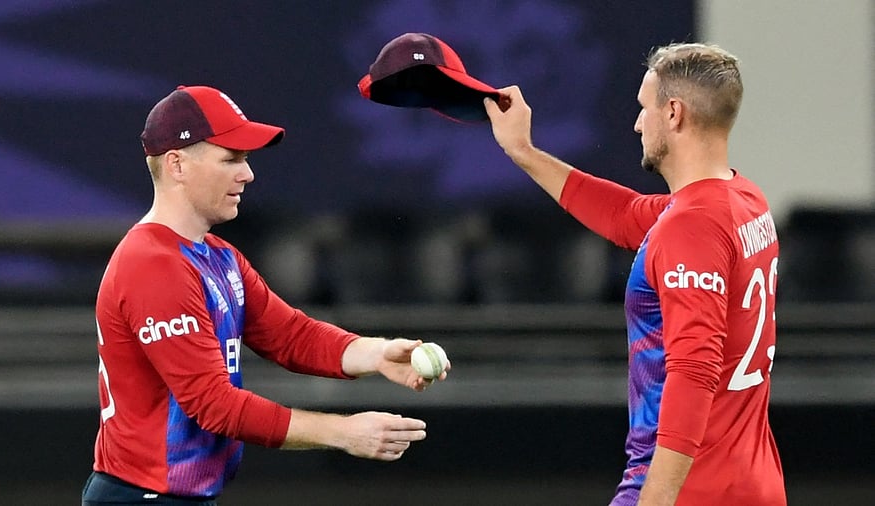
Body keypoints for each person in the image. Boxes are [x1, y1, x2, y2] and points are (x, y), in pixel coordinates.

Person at [82, 85, 449, 506]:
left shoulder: (218, 256)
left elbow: (289, 335)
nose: (247, 173)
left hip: (175, 495)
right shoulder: (153, 265)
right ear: (177, 164)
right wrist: (343, 433)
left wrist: (377, 355)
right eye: (231, 158)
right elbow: (215, 406)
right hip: (141, 496)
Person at [483, 43, 786, 505]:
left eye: (644, 108)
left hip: (690, 490)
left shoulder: (691, 226)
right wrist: (523, 151)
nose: (637, 123)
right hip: (753, 483)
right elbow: (625, 215)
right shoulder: (743, 200)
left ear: (674, 113)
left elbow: (693, 371)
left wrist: (656, 499)